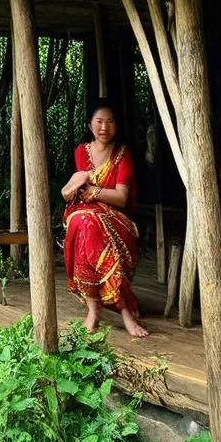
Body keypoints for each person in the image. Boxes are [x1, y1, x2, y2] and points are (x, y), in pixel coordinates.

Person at [61, 102, 148, 337]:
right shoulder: (82, 152)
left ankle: (113, 310)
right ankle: (101, 309)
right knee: (83, 223)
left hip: (117, 218)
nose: (104, 127)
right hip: (85, 214)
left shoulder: (122, 155)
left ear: (117, 126)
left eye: (110, 122)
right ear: (90, 125)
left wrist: (96, 193)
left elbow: (121, 197)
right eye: (99, 121)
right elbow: (78, 189)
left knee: (86, 226)